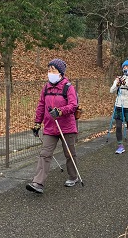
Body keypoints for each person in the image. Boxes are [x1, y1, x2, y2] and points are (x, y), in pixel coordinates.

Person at [26, 58, 79, 194]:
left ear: (60, 73)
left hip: (66, 126)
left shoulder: (68, 87)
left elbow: (73, 105)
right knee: (45, 154)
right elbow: (41, 106)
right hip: (50, 127)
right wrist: (37, 123)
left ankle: (73, 176)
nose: (50, 72)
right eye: (49, 70)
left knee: (69, 154)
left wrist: (60, 111)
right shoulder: (46, 88)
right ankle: (38, 183)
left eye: (53, 70)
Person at [110, 59, 128, 154]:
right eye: (124, 67)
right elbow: (111, 90)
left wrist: (125, 83)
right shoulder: (119, 78)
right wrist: (117, 84)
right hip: (119, 105)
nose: (126, 68)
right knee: (118, 126)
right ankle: (120, 145)